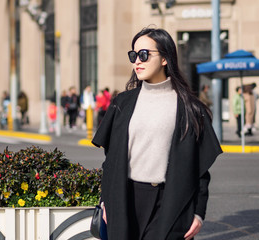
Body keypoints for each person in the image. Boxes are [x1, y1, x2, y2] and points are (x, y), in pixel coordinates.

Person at [91, 28, 222, 240]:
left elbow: (199, 169)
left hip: (170, 201)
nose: (137, 62)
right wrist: (106, 201)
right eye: (133, 55)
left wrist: (198, 212)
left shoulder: (190, 108)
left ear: (164, 58)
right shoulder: (122, 104)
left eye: (144, 54)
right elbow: (111, 161)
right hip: (125, 199)